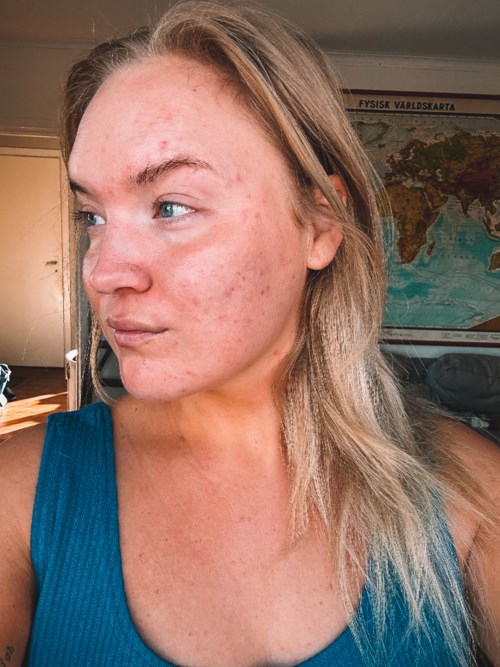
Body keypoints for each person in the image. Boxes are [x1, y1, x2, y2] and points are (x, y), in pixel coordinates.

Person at [1, 1, 498, 665]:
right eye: (92, 215)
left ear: (319, 223)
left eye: (171, 206)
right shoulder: (21, 495)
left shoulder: (472, 494)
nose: (103, 271)